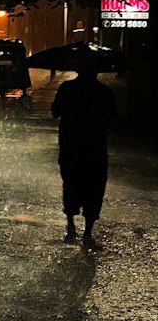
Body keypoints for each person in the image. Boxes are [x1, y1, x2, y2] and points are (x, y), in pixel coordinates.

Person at [50, 49, 117, 249]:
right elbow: (111, 118)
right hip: (95, 146)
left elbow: (55, 112)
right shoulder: (105, 92)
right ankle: (88, 233)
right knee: (94, 187)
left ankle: (70, 226)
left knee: (71, 183)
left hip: (71, 145)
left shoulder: (67, 88)